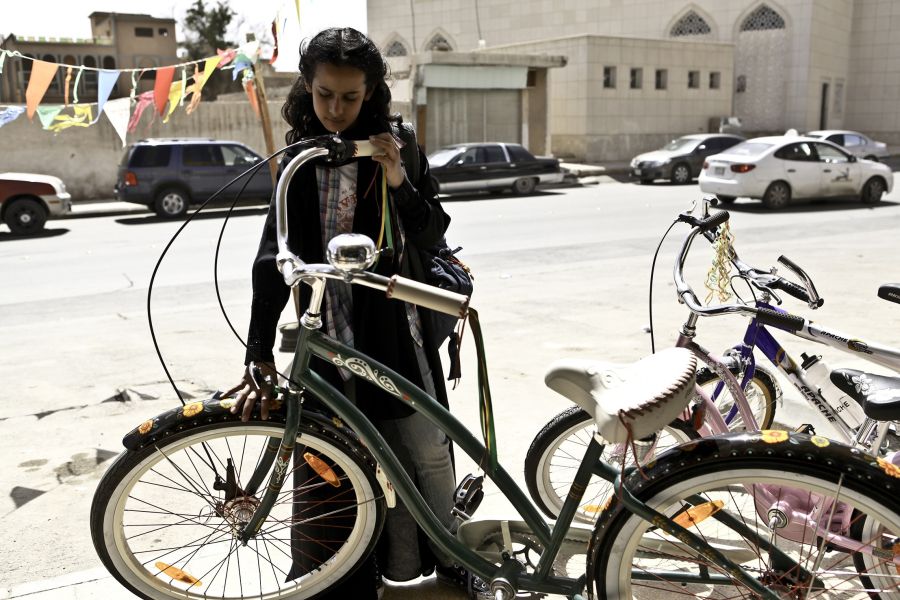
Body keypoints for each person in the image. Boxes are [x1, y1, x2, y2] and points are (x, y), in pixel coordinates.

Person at [224, 27, 473, 599]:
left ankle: (450, 553)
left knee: (426, 450)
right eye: (324, 95)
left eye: (350, 97)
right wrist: (257, 352)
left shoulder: (397, 143)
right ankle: (336, 576)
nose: (336, 110)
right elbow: (273, 260)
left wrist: (397, 179)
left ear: (373, 93)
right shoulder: (298, 157)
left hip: (394, 330)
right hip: (324, 334)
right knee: (332, 464)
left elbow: (432, 233)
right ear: (306, 89)